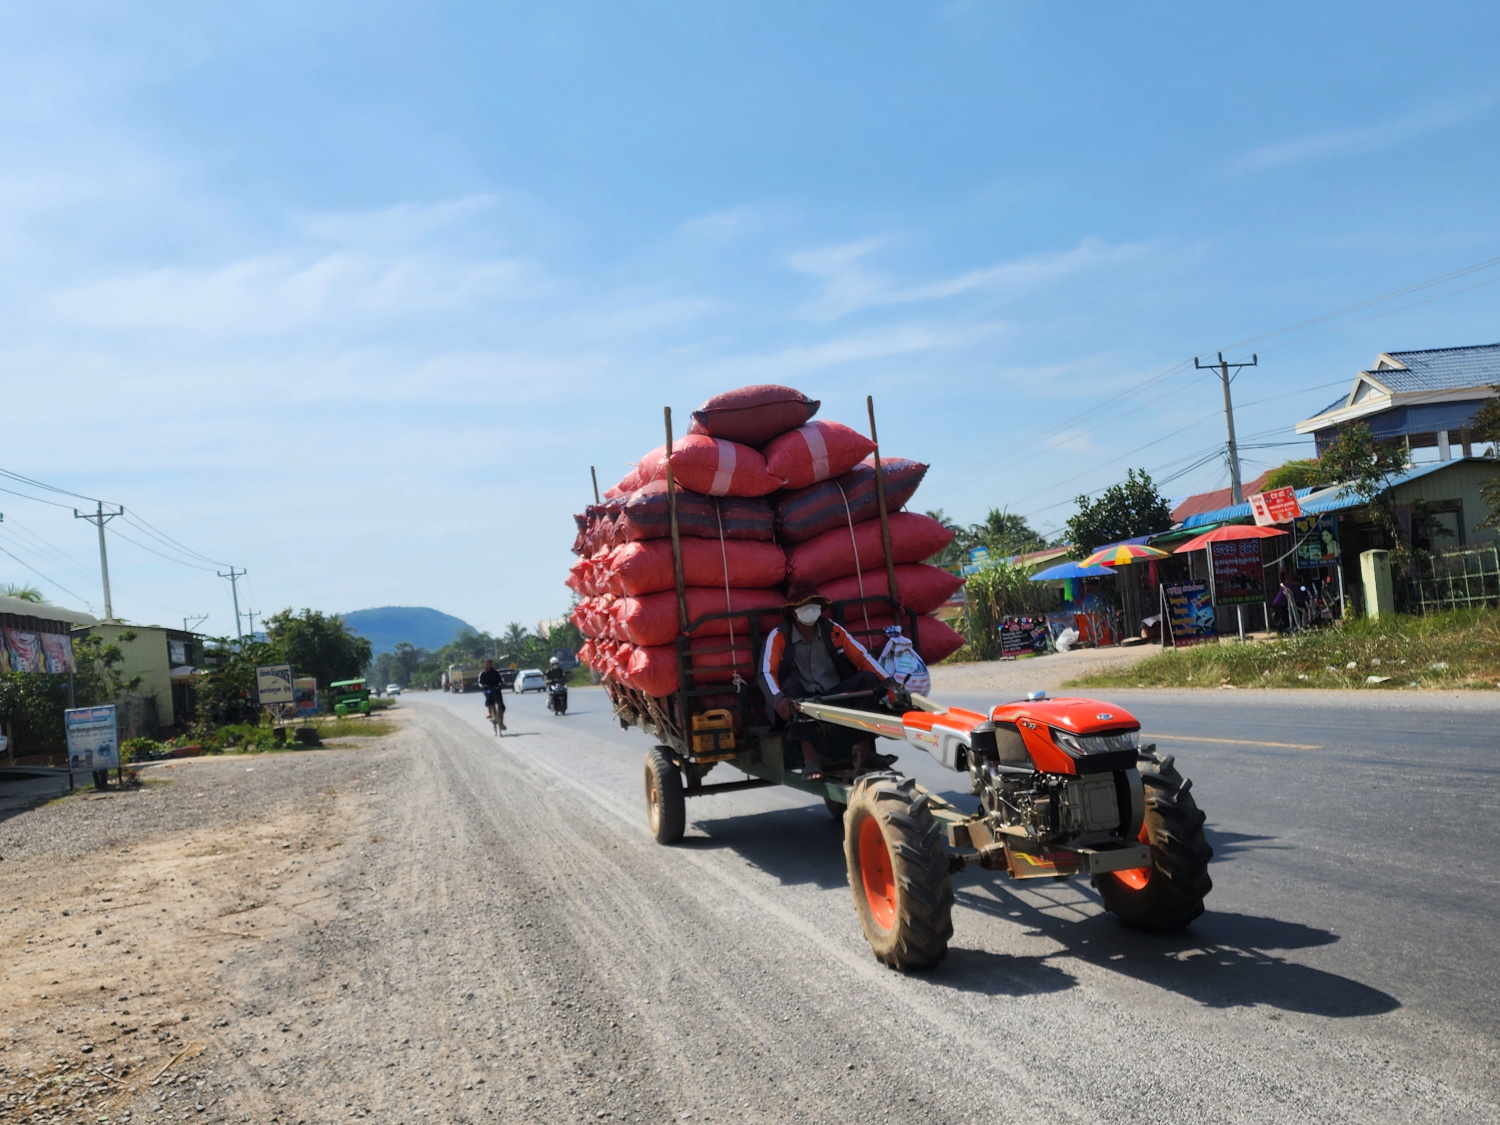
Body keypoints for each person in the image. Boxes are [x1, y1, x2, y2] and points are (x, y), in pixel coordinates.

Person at [759, 580, 904, 782]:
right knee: (791, 687)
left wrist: (888, 681)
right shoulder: (780, 635)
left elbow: (862, 657)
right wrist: (778, 700)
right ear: (793, 612)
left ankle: (864, 752)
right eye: (803, 606)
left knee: (867, 679)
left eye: (814, 605)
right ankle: (810, 760)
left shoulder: (833, 630)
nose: (809, 610)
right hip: (801, 701)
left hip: (833, 694)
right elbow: (767, 673)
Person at [478, 659, 505, 730]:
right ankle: (489, 712)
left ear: (491, 664)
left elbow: (501, 680)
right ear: (485, 665)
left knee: (501, 705)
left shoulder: (495, 673)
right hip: (487, 689)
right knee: (489, 699)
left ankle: (501, 723)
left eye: (489, 664)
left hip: (496, 689)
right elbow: (480, 682)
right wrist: (481, 685)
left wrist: (503, 683)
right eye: (486, 664)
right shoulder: (483, 674)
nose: (488, 665)